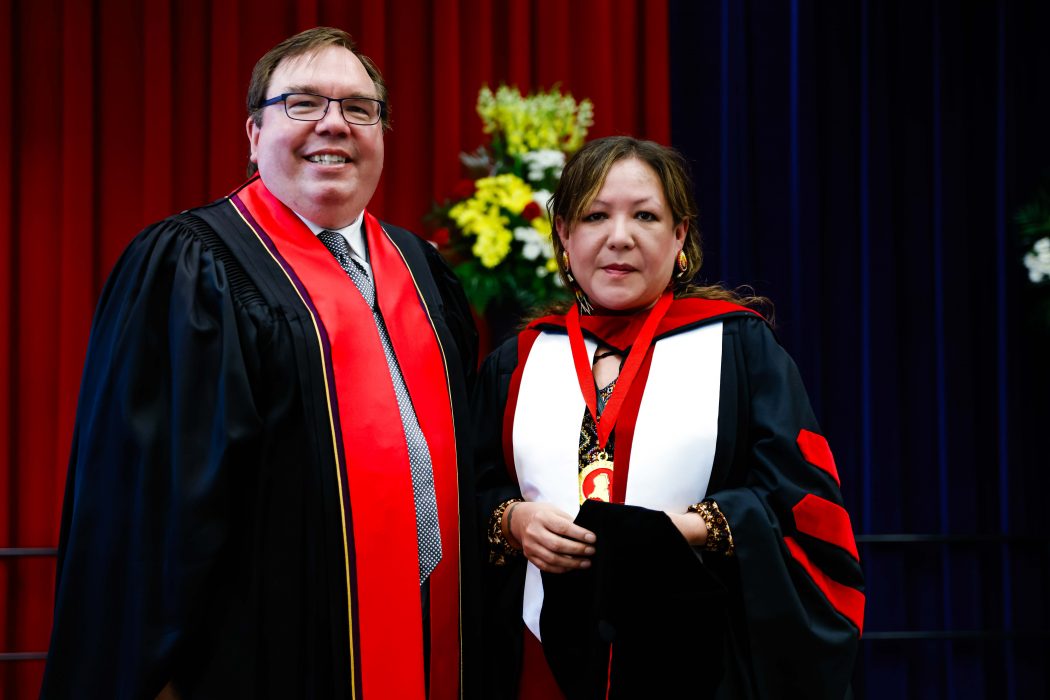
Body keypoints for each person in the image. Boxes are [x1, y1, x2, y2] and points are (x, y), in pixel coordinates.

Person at [41, 27, 479, 700]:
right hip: (263, 658)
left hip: (427, 649)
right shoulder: (190, 267)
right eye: (303, 103)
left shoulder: (421, 271)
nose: (334, 124)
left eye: (359, 108)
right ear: (253, 134)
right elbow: (144, 508)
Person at [473, 136, 864, 699]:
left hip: (700, 662)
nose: (620, 237)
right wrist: (513, 521)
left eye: (646, 216)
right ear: (564, 236)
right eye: (595, 216)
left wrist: (687, 529)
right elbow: (467, 493)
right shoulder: (520, 360)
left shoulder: (738, 348)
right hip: (542, 661)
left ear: (680, 234)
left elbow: (803, 505)